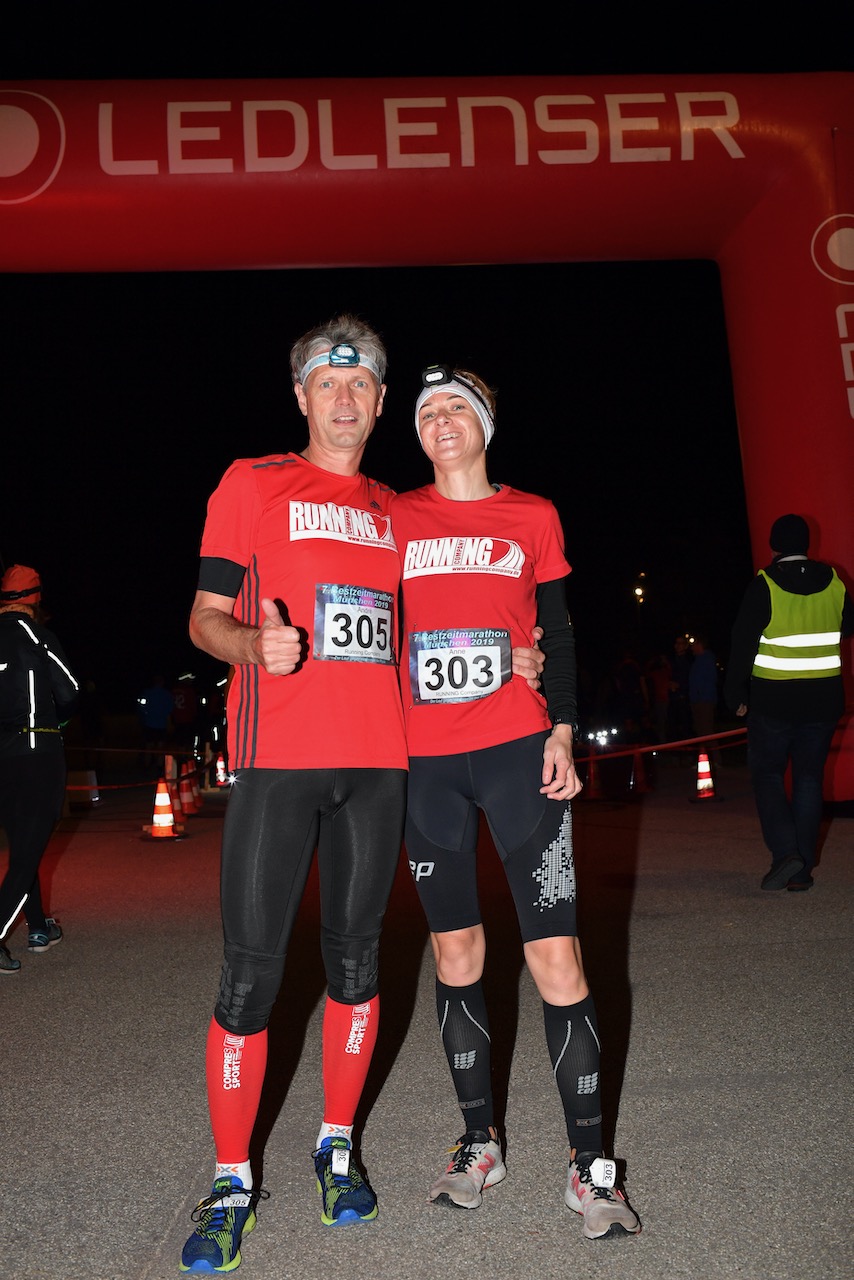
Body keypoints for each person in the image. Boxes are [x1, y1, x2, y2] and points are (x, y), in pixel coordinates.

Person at [180, 318, 546, 1271]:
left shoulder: (399, 509)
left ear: (382, 405)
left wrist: (515, 653)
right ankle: (231, 1181)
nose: (344, 398)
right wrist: (247, 646)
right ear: (301, 397)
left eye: (361, 385)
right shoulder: (251, 482)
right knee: (251, 974)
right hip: (278, 759)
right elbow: (203, 615)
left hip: (380, 764)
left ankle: (335, 1149)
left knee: (356, 966)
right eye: (325, 382)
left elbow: (460, 602)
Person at [392, 366, 641, 1241]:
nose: (442, 420)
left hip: (515, 753)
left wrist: (564, 730)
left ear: (487, 422)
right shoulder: (395, 516)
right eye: (427, 411)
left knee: (556, 960)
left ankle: (590, 1165)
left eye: (457, 405)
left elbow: (560, 631)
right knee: (454, 949)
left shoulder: (531, 515)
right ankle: (477, 1141)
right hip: (426, 764)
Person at [724, 513, 854, 891]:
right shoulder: (833, 581)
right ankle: (801, 871)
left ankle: (786, 852)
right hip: (824, 700)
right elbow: (848, 625)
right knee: (810, 780)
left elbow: (742, 644)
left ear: (774, 544)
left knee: (767, 775)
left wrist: (735, 694)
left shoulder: (764, 585)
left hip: (773, 701)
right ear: (806, 543)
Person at [0, 564, 79, 973]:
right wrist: (56, 721)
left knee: (22, 847)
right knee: (29, 850)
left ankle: (37, 927)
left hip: (3, 759)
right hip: (38, 751)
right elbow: (70, 691)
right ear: (35, 598)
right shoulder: (36, 636)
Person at [688, 632, 721, 766]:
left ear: (699, 645)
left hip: (704, 700)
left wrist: (701, 696)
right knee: (701, 731)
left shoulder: (707, 659)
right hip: (698, 700)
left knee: (707, 730)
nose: (691, 648)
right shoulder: (698, 660)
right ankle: (704, 760)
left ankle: (716, 760)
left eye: (694, 645)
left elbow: (708, 681)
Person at [136, 673, 174, 770]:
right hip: (161, 725)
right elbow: (170, 709)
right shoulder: (166, 694)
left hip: (149, 724)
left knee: (149, 747)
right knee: (160, 747)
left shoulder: (147, 693)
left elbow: (141, 707)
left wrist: (145, 716)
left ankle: (147, 766)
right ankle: (159, 767)